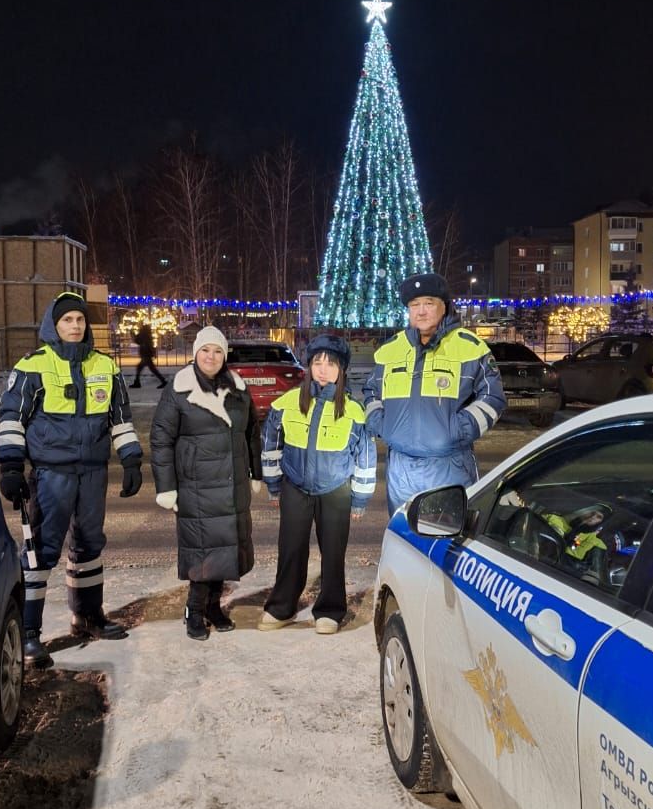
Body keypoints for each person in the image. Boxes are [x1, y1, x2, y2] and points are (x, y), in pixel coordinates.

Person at [0, 291, 143, 669]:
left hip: (93, 472)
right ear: (54, 325)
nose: (75, 326)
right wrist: (11, 467)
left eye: (80, 320)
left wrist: (131, 460)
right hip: (51, 474)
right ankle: (29, 633)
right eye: (67, 320)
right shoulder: (33, 366)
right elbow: (12, 419)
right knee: (41, 551)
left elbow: (120, 418)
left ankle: (88, 617)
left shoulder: (106, 367)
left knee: (89, 545)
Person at [259, 333, 376, 635]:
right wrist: (273, 485)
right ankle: (282, 606)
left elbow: (365, 456)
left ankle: (330, 610)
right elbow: (271, 446)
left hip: (336, 490)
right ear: (309, 366)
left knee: (333, 553)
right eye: (317, 362)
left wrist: (361, 498)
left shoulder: (354, 411)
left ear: (341, 369)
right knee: (291, 549)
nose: (323, 369)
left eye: (331, 363)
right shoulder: (286, 404)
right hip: (295, 487)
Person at [150, 326, 262, 640]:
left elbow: (251, 432)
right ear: (195, 353)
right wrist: (166, 487)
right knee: (203, 554)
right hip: (196, 486)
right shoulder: (179, 389)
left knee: (225, 552)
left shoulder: (238, 388)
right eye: (205, 350)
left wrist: (255, 471)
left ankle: (214, 607)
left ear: (224, 356)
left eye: (217, 351)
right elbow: (161, 439)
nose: (211, 357)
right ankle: (194, 610)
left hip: (231, 483)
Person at [363, 272, 507, 514]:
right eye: (414, 305)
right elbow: (371, 392)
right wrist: (382, 425)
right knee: (405, 539)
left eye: (429, 303)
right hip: (401, 468)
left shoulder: (469, 347)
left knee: (447, 541)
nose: (421, 311)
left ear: (444, 306)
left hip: (449, 466)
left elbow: (493, 398)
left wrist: (458, 430)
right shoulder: (390, 350)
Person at [500, 490, 612, 583]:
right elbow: (528, 525)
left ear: (601, 523)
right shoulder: (555, 519)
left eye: (599, 517)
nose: (592, 517)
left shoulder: (597, 544)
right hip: (529, 563)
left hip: (561, 581)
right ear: (585, 509)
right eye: (592, 511)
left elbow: (595, 580)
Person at [130, 322, 166, 388]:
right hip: (147, 354)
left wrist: (133, 334)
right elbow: (148, 344)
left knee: (148, 369)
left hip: (145, 354)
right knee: (147, 368)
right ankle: (163, 381)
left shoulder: (143, 334)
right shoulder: (147, 335)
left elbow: (138, 341)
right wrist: (153, 352)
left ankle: (163, 381)